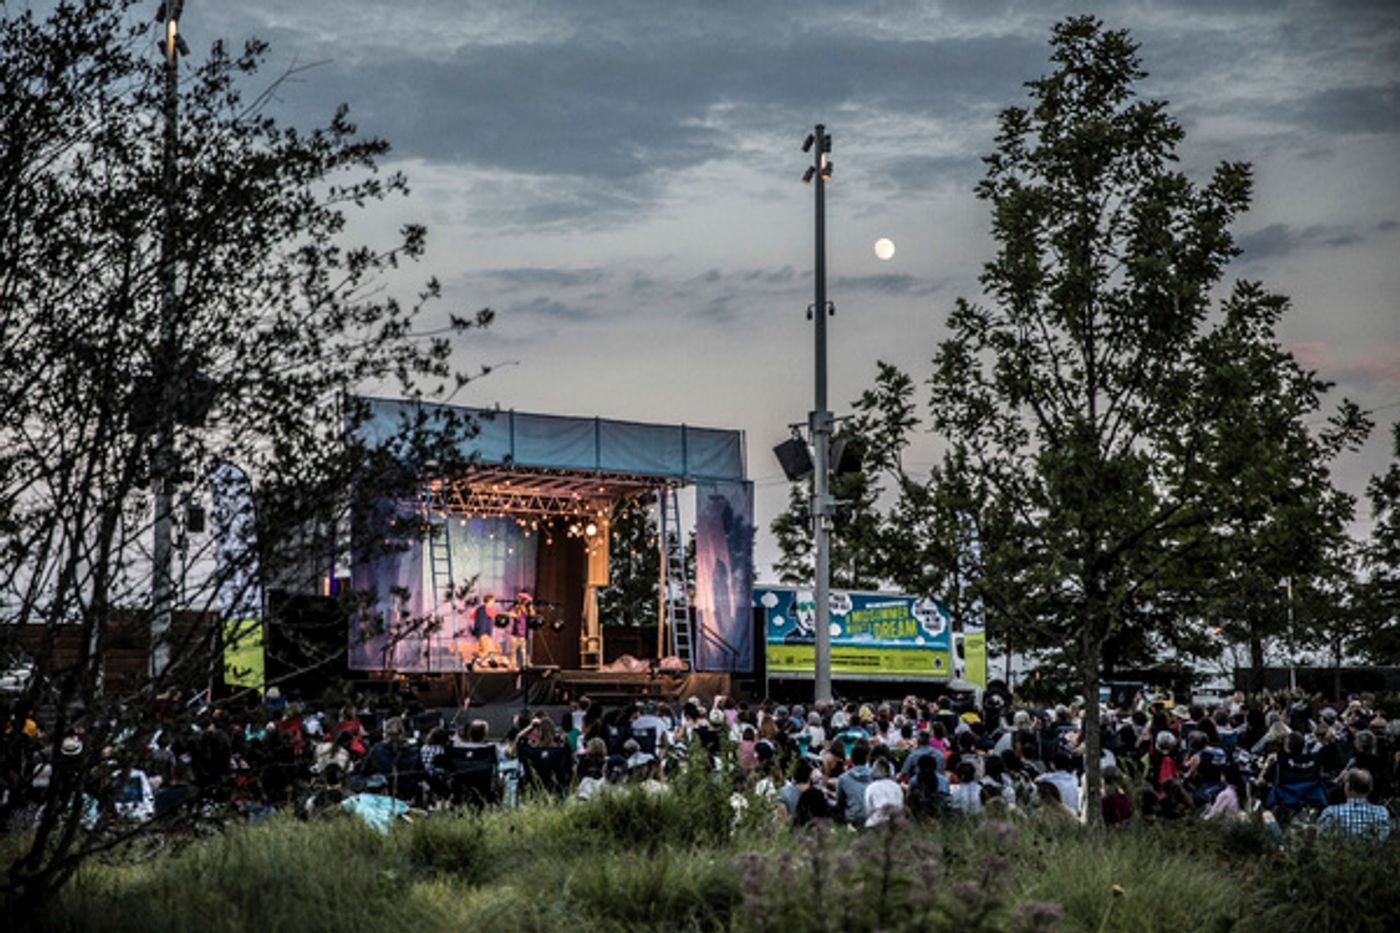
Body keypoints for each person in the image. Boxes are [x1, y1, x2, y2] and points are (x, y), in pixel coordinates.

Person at [1316, 769, 1391, 841]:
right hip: (1372, 853)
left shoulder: (1330, 812)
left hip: (1339, 853)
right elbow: (1384, 840)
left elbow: (1322, 838)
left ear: (1347, 787)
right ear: (1370, 789)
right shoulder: (1382, 813)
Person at [863, 759, 905, 827]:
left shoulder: (871, 787)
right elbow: (901, 805)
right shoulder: (897, 786)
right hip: (897, 822)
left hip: (877, 822)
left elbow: (868, 810)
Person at [509, 592, 533, 669]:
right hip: (515, 633)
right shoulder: (516, 608)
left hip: (523, 634)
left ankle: (525, 665)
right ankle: (513, 665)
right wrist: (516, 613)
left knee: (524, 651)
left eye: (521, 599)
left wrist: (529, 608)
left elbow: (532, 615)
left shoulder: (527, 610)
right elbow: (511, 615)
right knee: (513, 651)